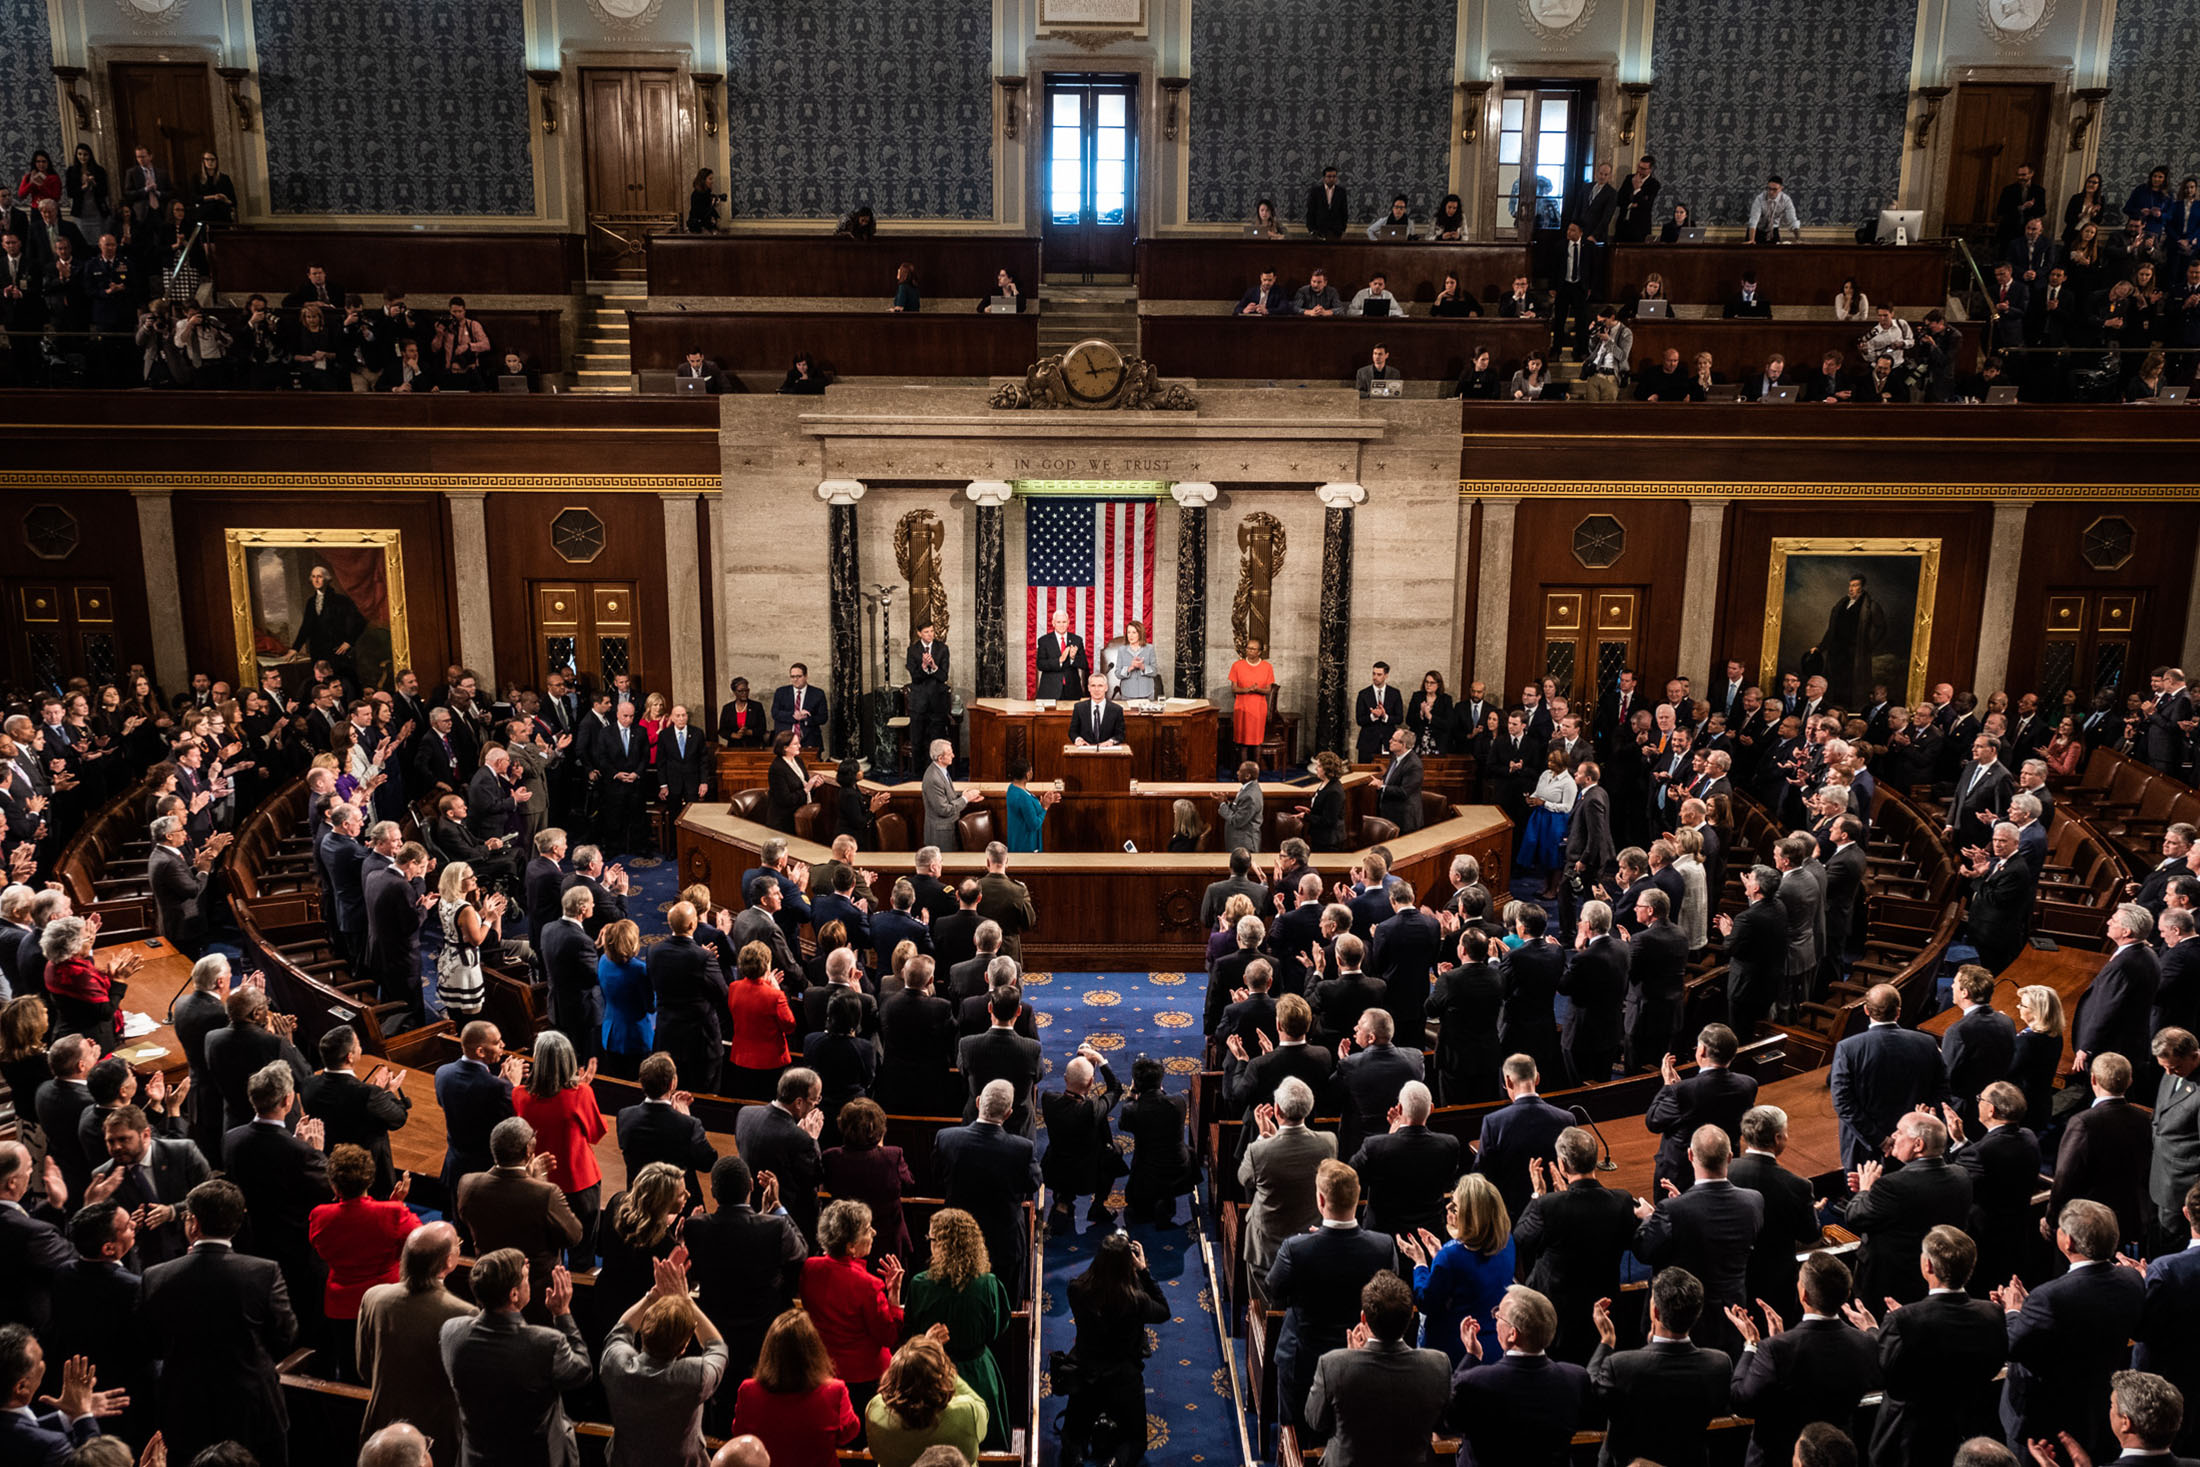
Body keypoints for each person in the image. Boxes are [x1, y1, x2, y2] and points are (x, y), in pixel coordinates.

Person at [138, 1178, 297, 1467]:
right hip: (252, 1405)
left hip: (185, 1408)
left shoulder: (156, 1276)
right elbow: (285, 1335)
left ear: (193, 1223)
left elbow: (148, 1344)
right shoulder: (263, 1272)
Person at [1997, 1200, 2146, 1461]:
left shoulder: (2049, 1297)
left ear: (2069, 1243)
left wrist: (2014, 1310)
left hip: (2042, 1422)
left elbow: (2013, 1345)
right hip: (2097, 1406)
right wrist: (2032, 1310)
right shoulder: (2132, 1280)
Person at [1266, 1159, 1396, 1429]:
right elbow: (1388, 1297)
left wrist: (1311, 1246)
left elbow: (1275, 1289)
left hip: (1303, 1361)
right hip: (1361, 1361)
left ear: (1321, 1200)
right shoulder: (1383, 1246)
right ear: (1356, 1198)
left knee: (1296, 1438)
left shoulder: (1295, 1248)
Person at [440, 1245, 594, 1467]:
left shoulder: (452, 1332)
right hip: (534, 1458)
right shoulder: (545, 1343)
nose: (528, 1283)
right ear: (513, 1294)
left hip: (476, 1459)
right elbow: (581, 1372)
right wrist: (563, 1315)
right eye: (525, 1278)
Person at [1725, 1252, 1881, 1467]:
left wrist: (1751, 1344)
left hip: (1777, 1457)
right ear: (1846, 1294)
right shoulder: (1867, 1344)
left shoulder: (1775, 1349)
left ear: (1804, 1295)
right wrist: (1873, 1330)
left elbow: (1742, 1401)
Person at [1631, 1126, 1764, 1353]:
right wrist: (1682, 1205)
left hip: (1682, 1320)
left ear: (1690, 1155)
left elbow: (1645, 1251)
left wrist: (1649, 1218)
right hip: (1731, 1315)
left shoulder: (1672, 1210)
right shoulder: (1754, 1201)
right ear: (1730, 1157)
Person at [1587, 1266, 1734, 1467]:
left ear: (1655, 1311)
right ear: (1697, 1313)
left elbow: (1589, 1398)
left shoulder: (1620, 1366)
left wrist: (1606, 1342)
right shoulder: (1719, 1365)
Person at [357, 1222, 477, 1467]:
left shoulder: (375, 1297)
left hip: (383, 1423)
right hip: (439, 1431)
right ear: (450, 1261)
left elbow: (363, 1368)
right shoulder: (464, 1314)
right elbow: (469, 1386)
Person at [1304, 1269, 1450, 1464]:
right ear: (1410, 1318)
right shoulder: (1438, 1365)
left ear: (1363, 1318)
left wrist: (1352, 1358)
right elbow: (1442, 1424)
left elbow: (1316, 1422)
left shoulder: (1333, 1364)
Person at [600, 1247, 728, 1467]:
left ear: (644, 1333)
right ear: (685, 1345)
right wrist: (686, 1300)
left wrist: (653, 1295)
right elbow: (716, 1346)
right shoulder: (694, 1376)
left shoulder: (617, 1365)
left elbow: (621, 1330)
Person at [1056, 1229, 1170, 1466]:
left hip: (1086, 1374)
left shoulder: (1076, 1290)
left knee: (1073, 1435)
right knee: (1136, 1440)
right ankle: (1116, 1463)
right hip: (1123, 1379)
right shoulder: (1137, 1300)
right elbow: (1164, 1311)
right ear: (1128, 1264)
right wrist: (1143, 1270)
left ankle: (1075, 1456)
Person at [902, 1207, 1012, 1451]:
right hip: (978, 1374)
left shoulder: (920, 1284)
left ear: (943, 1245)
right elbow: (999, 1328)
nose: (929, 1244)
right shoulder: (988, 1283)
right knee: (983, 1445)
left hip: (930, 1374)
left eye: (931, 1239)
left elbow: (909, 1329)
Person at [455, 1116, 584, 1323]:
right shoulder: (546, 1194)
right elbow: (574, 1236)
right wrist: (538, 1180)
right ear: (528, 1151)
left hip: (489, 1286)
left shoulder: (468, 1184)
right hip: (535, 1292)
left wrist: (527, 1177)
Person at [309, 1144, 421, 1380]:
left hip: (341, 1307)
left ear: (333, 1184)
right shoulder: (392, 1214)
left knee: (350, 1369)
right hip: (387, 1302)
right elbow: (420, 1241)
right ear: (370, 1179)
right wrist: (396, 1205)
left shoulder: (320, 1216)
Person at [1843, 1109, 1973, 1309]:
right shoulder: (1961, 1175)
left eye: (1899, 1132)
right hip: (1939, 1279)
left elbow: (1854, 1217)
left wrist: (1866, 1189)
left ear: (1918, 1144)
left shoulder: (1892, 1186)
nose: (1893, 1136)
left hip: (1891, 1287)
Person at [1397, 1173, 1516, 1368]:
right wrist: (1440, 1255)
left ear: (1471, 1217)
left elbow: (1426, 1301)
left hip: (1454, 1348)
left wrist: (1420, 1263)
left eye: (1455, 1206)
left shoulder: (1451, 1256)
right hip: (1494, 1341)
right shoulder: (1507, 1242)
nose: (1447, 1208)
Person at [512, 1031, 606, 1272]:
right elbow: (595, 1135)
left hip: (539, 1182)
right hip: (579, 1181)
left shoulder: (519, 1095)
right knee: (582, 1249)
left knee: (546, 1247)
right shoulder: (582, 1093)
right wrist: (583, 1090)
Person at [799, 1198, 903, 1414]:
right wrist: (893, 1297)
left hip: (823, 1371)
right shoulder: (869, 1285)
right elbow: (888, 1336)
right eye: (867, 1230)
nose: (874, 1232)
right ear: (851, 1246)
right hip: (866, 1380)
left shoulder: (809, 1268)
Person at [1830, 983, 1949, 1168]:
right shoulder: (1926, 1043)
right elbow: (1943, 1090)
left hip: (1865, 1151)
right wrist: (1924, 1121)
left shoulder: (1848, 1048)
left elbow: (1842, 1102)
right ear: (1898, 1012)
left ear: (1866, 1011)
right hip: (1916, 1146)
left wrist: (1881, 1140)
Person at [730, 1305, 861, 1467]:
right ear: (815, 1351)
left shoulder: (748, 1390)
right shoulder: (835, 1390)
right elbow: (850, 1432)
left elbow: (739, 1433)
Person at [1644, 1023, 1759, 1198]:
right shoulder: (1748, 1085)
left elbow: (1653, 1121)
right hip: (1725, 1171)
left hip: (1681, 1177)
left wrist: (1668, 1086)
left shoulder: (1683, 1091)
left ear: (1702, 1051)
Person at [735, 1068, 827, 1245]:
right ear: (798, 1103)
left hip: (750, 1211)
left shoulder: (745, 1113)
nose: (816, 1105)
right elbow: (815, 1178)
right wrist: (813, 1139)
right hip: (786, 1220)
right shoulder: (801, 1139)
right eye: (814, 1100)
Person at [1039, 1045, 1125, 1231]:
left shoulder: (1048, 1099)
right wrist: (1100, 1059)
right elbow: (1116, 1088)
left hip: (1056, 1169)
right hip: (1088, 1176)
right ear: (1091, 1082)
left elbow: (1072, 1087)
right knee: (1115, 1151)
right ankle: (1098, 1205)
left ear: (1064, 1079)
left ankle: (1063, 1201)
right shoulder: (1093, 1109)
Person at [596, 1162, 689, 1319]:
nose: (688, 1195)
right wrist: (680, 1244)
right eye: (681, 1194)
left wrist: (665, 1220)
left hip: (604, 1301)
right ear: (663, 1202)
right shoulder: (666, 1244)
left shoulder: (616, 1203)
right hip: (640, 1315)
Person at [1228, 639, 1276, 764]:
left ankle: (1256, 771)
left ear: (1259, 652)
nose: (1249, 651)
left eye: (1253, 649)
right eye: (1248, 648)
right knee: (1242, 741)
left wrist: (1257, 689)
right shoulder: (1237, 666)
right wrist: (1247, 689)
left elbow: (1268, 690)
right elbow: (1234, 688)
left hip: (1258, 709)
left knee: (1256, 741)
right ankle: (1242, 770)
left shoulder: (1267, 667)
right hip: (1242, 707)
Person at [1747, 175, 1801, 242]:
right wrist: (1752, 239)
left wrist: (1798, 239)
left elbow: (1793, 220)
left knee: (1776, 251)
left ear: (1781, 188)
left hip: (1773, 230)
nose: (1771, 192)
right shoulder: (1759, 199)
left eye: (1774, 189)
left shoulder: (1786, 200)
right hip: (1757, 230)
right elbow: (1754, 220)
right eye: (1769, 188)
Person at [1305, 166, 1348, 239]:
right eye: (1329, 176)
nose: (1332, 179)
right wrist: (1311, 229)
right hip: (1318, 230)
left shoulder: (1341, 191)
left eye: (1334, 176)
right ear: (1324, 178)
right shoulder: (1316, 191)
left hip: (1336, 231)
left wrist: (1343, 229)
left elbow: (1344, 211)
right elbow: (1311, 211)